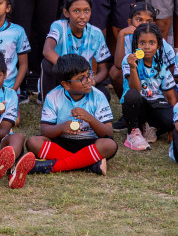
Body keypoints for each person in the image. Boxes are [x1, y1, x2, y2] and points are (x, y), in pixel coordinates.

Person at [12, 54, 118, 187]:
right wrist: (61, 128)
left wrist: (90, 119)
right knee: (33, 142)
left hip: (90, 144)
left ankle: (48, 166)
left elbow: (108, 133)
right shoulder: (53, 96)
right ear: (66, 85)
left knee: (109, 145)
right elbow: (45, 130)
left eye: (89, 74)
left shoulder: (98, 96)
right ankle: (89, 164)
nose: (89, 80)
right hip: (63, 143)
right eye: (82, 78)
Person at [121, 21, 177, 151]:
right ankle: (133, 131)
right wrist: (133, 68)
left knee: (170, 120)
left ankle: (149, 127)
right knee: (132, 95)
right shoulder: (128, 60)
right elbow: (135, 89)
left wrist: (175, 126)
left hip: (156, 103)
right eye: (142, 43)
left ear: (158, 46)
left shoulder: (161, 64)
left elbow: (171, 96)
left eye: (152, 43)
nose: (147, 47)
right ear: (136, 44)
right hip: (137, 102)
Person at [43, 0, 111, 90]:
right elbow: (47, 51)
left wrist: (93, 81)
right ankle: (47, 100)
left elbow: (104, 68)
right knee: (47, 64)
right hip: (63, 76)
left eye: (86, 11)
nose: (82, 16)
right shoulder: (59, 26)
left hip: (83, 80)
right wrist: (69, 70)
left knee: (104, 94)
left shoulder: (96, 33)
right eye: (76, 11)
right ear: (66, 12)